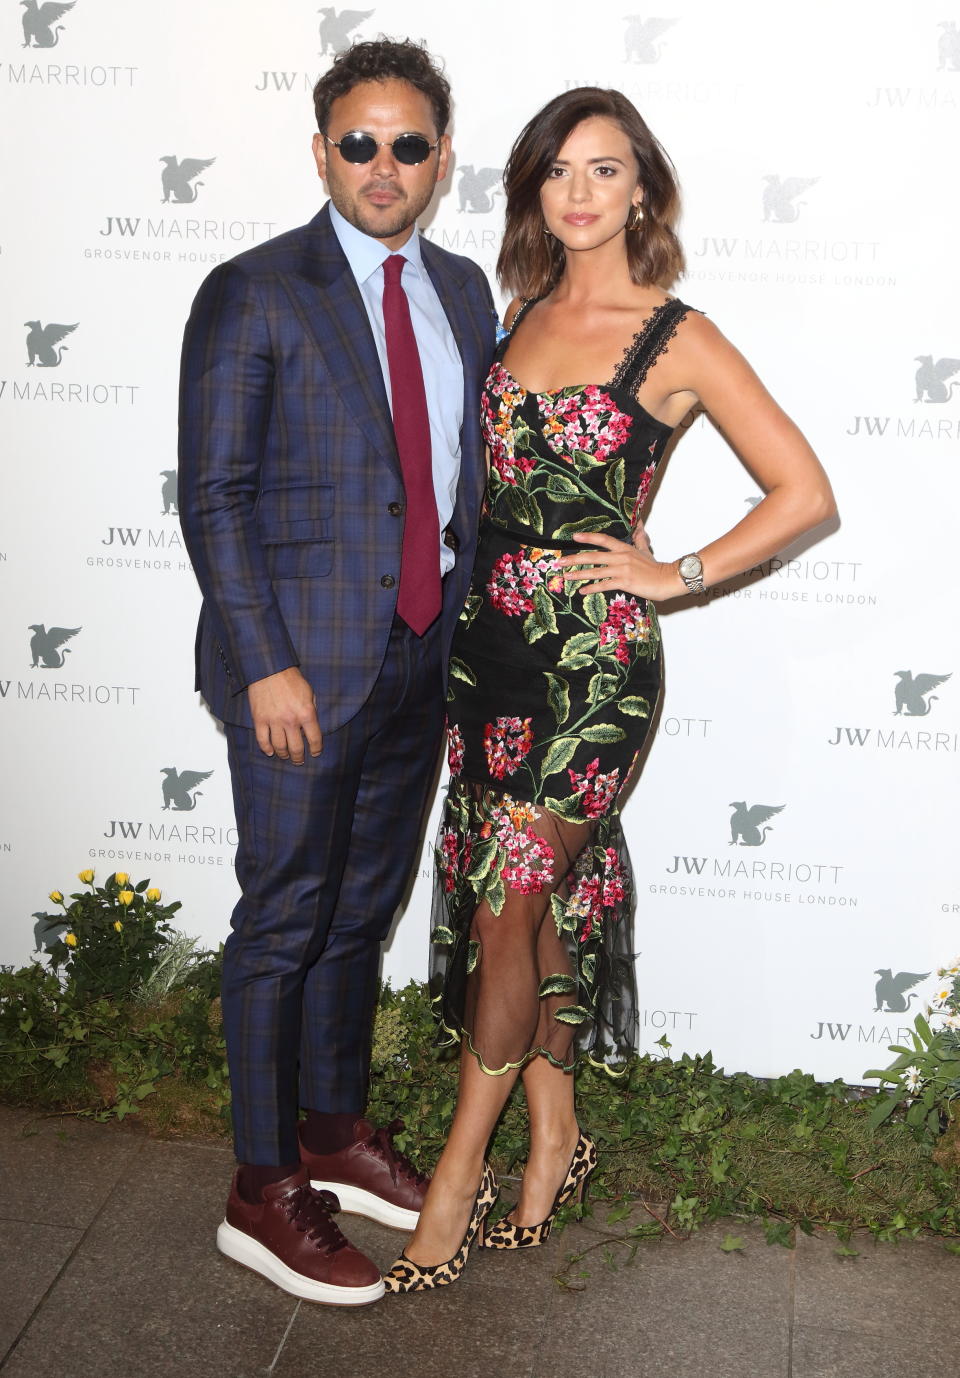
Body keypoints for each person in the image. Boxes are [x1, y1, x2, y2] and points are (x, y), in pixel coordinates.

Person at [383, 86, 836, 1292]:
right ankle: (555, 1137)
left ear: (645, 187)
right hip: (488, 657)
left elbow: (804, 492)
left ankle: (453, 1175)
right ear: (533, 188)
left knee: (504, 909)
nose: (579, 194)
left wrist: (674, 574)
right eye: (557, 173)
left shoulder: (676, 335)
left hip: (594, 669)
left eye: (605, 170)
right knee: (533, 908)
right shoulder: (514, 307)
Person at [178, 38, 497, 1306]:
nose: (383, 164)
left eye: (407, 144)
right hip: (296, 676)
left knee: (360, 916)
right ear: (321, 152)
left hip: (419, 659)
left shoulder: (464, 291)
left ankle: (329, 1130)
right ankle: (262, 1188)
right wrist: (264, 665)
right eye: (358, 142)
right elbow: (215, 493)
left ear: (440, 160)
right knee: (284, 921)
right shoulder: (256, 289)